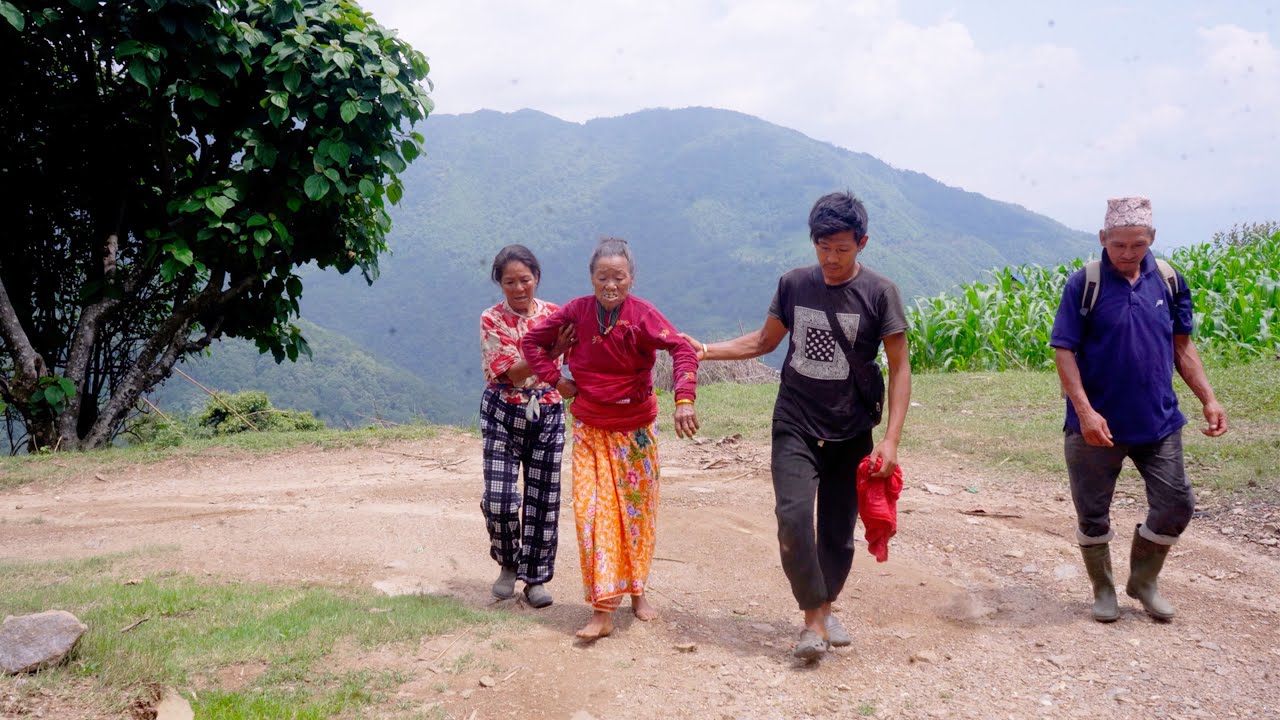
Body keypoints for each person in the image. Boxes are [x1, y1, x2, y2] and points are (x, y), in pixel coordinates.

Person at [684, 192, 911, 660]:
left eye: (842, 249)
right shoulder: (793, 284)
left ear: (862, 243)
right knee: (792, 518)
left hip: (851, 431)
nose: (830, 258)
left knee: (837, 531)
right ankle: (812, 620)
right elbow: (763, 341)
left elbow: (900, 366)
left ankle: (826, 608)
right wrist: (705, 349)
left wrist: (890, 440)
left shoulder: (879, 293)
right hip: (795, 420)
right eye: (823, 247)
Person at [1050, 196, 1227, 623]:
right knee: (1092, 513)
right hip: (1095, 427)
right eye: (1118, 245)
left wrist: (1208, 398)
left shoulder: (1168, 280)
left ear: (1152, 239)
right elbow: (1064, 351)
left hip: (1158, 420)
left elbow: (1181, 348)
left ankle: (1143, 581)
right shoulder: (1084, 284)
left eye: (1138, 245)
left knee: (1176, 504)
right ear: (1102, 239)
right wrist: (1086, 412)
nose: (1128, 254)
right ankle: (1104, 589)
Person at [521, 237, 700, 640]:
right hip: (589, 429)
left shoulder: (643, 316)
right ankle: (601, 610)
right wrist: (555, 380)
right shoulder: (577, 311)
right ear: (591, 279)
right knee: (592, 516)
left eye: (618, 277)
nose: (610, 285)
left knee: (635, 518)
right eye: (602, 277)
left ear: (631, 279)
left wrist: (684, 398)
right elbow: (531, 342)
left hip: (635, 432)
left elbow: (682, 350)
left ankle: (637, 592)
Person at [479, 245, 575, 609]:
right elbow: (513, 372)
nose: (519, 288)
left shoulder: (556, 314)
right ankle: (507, 561)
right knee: (501, 499)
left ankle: (535, 579)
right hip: (504, 410)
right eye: (510, 282)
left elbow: (581, 354)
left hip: (547, 411)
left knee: (544, 500)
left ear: (536, 277)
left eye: (525, 280)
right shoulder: (492, 319)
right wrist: (550, 354)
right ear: (500, 284)